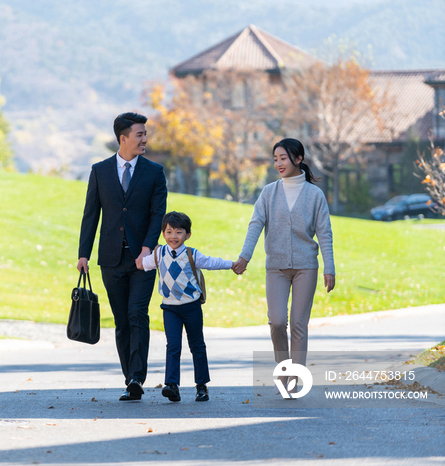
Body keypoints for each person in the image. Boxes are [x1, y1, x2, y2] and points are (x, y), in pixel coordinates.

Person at [232, 138, 335, 395]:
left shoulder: (315, 195)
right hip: (275, 266)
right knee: (277, 321)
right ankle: (284, 368)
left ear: (298, 159)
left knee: (299, 324)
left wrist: (329, 268)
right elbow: (255, 224)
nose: (278, 163)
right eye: (275, 158)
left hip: (305, 267)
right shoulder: (269, 192)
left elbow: (324, 233)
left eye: (283, 158)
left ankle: (293, 380)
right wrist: (245, 256)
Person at [77, 112, 167, 401]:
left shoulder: (154, 172)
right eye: (139, 134)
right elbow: (91, 214)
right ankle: (130, 377)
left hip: (143, 259)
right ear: (123, 138)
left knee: (137, 313)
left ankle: (137, 378)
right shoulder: (100, 170)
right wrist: (83, 254)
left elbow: (157, 214)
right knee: (121, 320)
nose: (145, 139)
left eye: (145, 134)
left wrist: (147, 247)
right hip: (110, 259)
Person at [139, 211, 241, 402]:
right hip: (170, 309)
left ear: (188, 235)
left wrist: (232, 264)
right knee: (173, 346)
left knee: (197, 345)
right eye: (169, 232)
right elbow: (141, 264)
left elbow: (211, 262)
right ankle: (172, 385)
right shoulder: (158, 254)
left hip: (192, 307)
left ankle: (201, 386)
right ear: (163, 234)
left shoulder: (191, 254)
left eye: (179, 232)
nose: (173, 236)